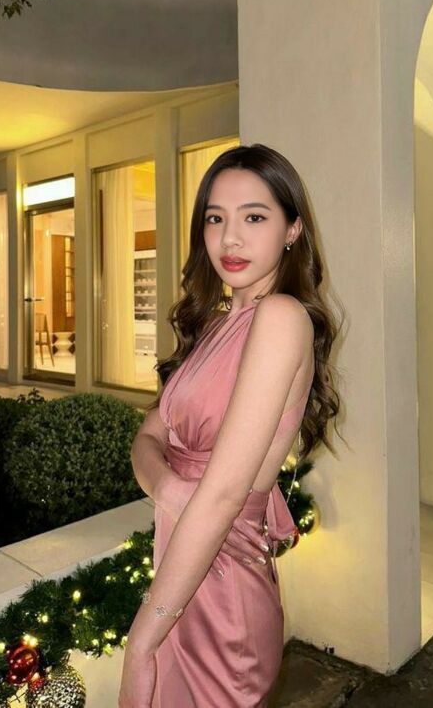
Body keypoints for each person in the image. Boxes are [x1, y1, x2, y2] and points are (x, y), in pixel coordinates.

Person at [119, 143, 343, 707]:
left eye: (254, 217)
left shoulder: (281, 318)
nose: (230, 238)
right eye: (215, 219)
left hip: (220, 588)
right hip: (181, 569)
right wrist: (170, 488)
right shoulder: (217, 322)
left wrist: (142, 640)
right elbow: (147, 436)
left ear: (293, 229)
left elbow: (221, 496)